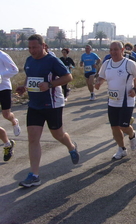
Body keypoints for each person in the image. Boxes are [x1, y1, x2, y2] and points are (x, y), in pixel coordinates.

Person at [16, 34, 79, 188]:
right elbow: (29, 76)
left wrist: (50, 85)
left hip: (52, 104)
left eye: (35, 47)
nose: (32, 51)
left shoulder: (52, 60)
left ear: (43, 46)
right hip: (34, 105)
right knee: (33, 138)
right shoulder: (29, 60)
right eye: (29, 48)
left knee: (57, 134)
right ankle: (34, 175)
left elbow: (68, 77)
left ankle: (71, 146)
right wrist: (24, 87)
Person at [95, 41, 136, 159]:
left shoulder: (129, 64)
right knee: (114, 127)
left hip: (127, 100)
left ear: (122, 50)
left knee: (123, 126)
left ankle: (132, 134)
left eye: (116, 49)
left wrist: (135, 89)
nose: (113, 52)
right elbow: (101, 76)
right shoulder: (107, 63)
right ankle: (121, 149)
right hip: (112, 101)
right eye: (111, 50)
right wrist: (98, 83)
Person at [0, 49, 20, 136]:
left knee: (6, 114)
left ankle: (14, 121)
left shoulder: (2, 55)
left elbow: (14, 69)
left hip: (4, 88)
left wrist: (1, 75)